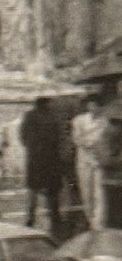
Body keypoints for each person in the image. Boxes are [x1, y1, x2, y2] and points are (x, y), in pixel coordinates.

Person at [20, 96, 65, 234]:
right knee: (52, 190)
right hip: (51, 157)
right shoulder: (54, 117)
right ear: (47, 102)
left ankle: (30, 217)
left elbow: (23, 137)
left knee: (33, 189)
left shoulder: (29, 116)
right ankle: (54, 216)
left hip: (34, 157)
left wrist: (32, 147)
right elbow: (59, 136)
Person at [71, 93, 110, 230]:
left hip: (99, 160)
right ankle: (91, 220)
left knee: (99, 192)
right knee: (86, 192)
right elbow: (77, 139)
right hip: (84, 160)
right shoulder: (79, 120)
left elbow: (104, 139)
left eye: (97, 105)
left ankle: (98, 224)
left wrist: (95, 144)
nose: (94, 107)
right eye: (92, 104)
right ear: (88, 105)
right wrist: (90, 142)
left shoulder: (105, 121)